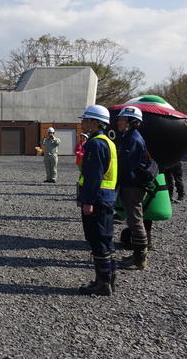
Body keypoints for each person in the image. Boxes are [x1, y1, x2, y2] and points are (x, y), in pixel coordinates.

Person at [77, 105, 117, 296]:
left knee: (98, 240)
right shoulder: (108, 142)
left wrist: (88, 201)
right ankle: (109, 278)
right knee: (105, 239)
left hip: (97, 200)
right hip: (107, 198)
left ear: (95, 123)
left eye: (85, 120)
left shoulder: (95, 144)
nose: (82, 123)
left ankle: (103, 283)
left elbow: (94, 176)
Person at [116, 106, 150, 271]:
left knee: (136, 221)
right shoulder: (128, 136)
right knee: (133, 219)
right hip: (131, 184)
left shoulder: (132, 139)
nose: (118, 122)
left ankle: (139, 259)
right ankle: (137, 256)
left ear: (130, 121)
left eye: (122, 119)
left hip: (133, 185)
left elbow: (125, 165)